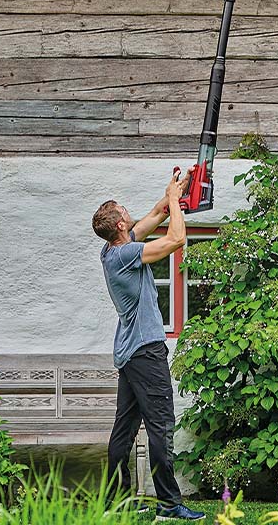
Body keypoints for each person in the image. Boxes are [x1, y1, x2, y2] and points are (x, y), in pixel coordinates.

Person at [92, 170, 205, 522]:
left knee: (123, 432)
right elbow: (175, 239)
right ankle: (170, 504)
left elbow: (156, 215)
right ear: (122, 224)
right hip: (146, 351)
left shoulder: (111, 250)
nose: (132, 213)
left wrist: (175, 190)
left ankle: (116, 502)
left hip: (130, 354)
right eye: (127, 211)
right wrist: (175, 204)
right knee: (161, 426)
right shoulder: (127, 255)